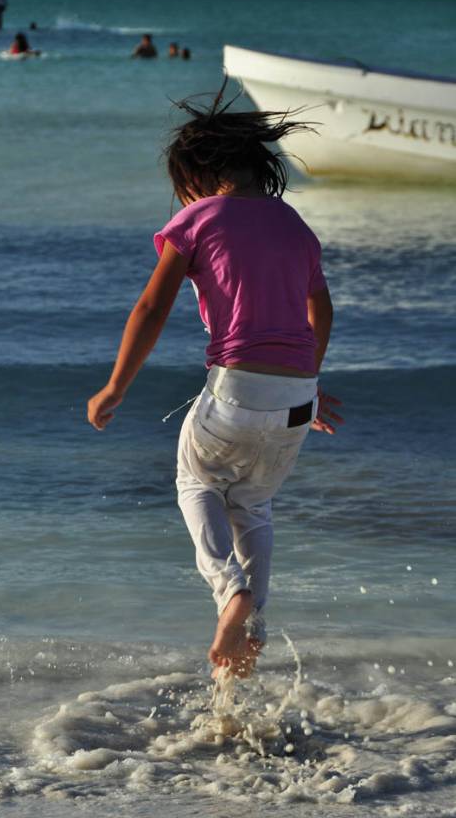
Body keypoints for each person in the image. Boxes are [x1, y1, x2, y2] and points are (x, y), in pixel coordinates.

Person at [87, 85, 343, 679]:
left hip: (236, 388)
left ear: (199, 175)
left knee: (194, 480)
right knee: (254, 503)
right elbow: (320, 310)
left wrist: (115, 387)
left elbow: (150, 309)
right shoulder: (295, 225)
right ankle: (250, 631)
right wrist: (310, 380)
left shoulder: (198, 219)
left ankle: (231, 593)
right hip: (296, 397)